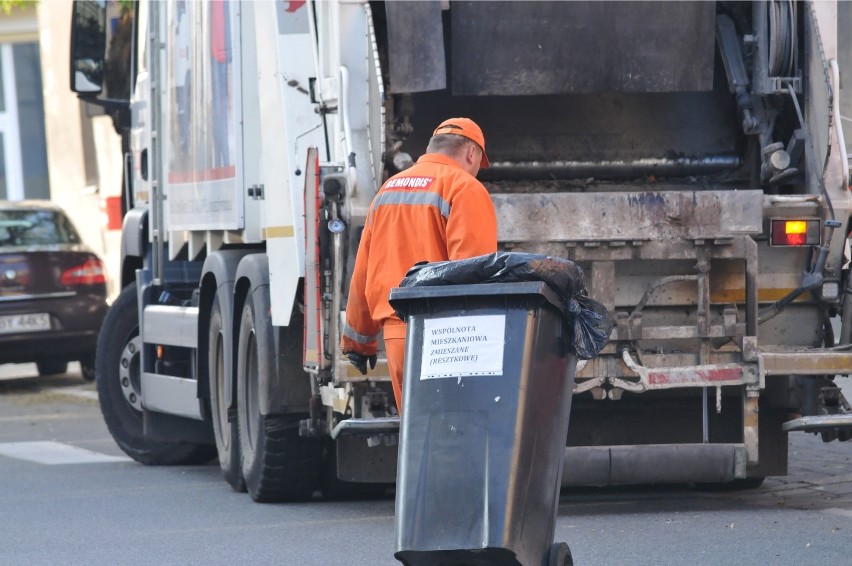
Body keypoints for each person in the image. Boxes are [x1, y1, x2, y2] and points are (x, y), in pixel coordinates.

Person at [341, 117, 498, 413]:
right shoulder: (464, 189)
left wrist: (358, 340)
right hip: (448, 339)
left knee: (417, 439)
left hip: (397, 336)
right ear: (471, 153)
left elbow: (364, 269)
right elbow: (474, 273)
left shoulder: (388, 190)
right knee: (452, 437)